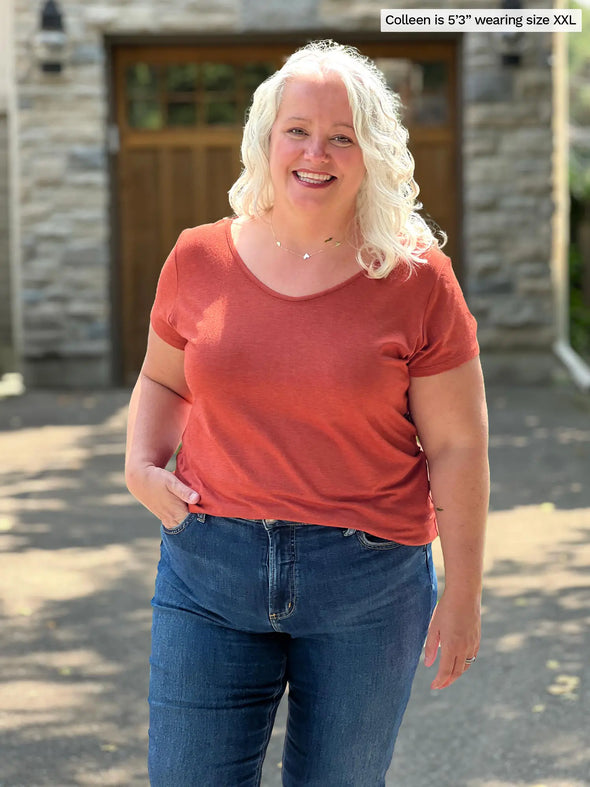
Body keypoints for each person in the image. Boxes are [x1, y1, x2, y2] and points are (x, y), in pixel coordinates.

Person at [125, 39, 489, 787]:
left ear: (372, 151)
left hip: (369, 582)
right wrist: (140, 463)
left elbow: (457, 445)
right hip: (209, 570)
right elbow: (163, 381)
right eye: (297, 129)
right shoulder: (197, 258)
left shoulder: (419, 281)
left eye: (341, 135)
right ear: (266, 139)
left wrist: (463, 592)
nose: (314, 151)